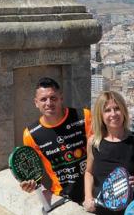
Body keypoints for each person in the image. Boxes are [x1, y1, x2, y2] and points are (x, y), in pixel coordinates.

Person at [84, 91, 134, 215]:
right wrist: (88, 197)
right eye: (107, 110)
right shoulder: (94, 142)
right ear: (100, 115)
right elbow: (89, 173)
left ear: (124, 111)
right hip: (101, 212)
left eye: (117, 108)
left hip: (130, 214)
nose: (113, 114)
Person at [20, 77, 91, 206]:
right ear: (36, 103)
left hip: (93, 190)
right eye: (43, 99)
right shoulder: (31, 134)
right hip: (64, 196)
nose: (49, 103)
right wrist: (30, 185)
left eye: (53, 98)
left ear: (61, 98)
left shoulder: (83, 116)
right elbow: (34, 174)